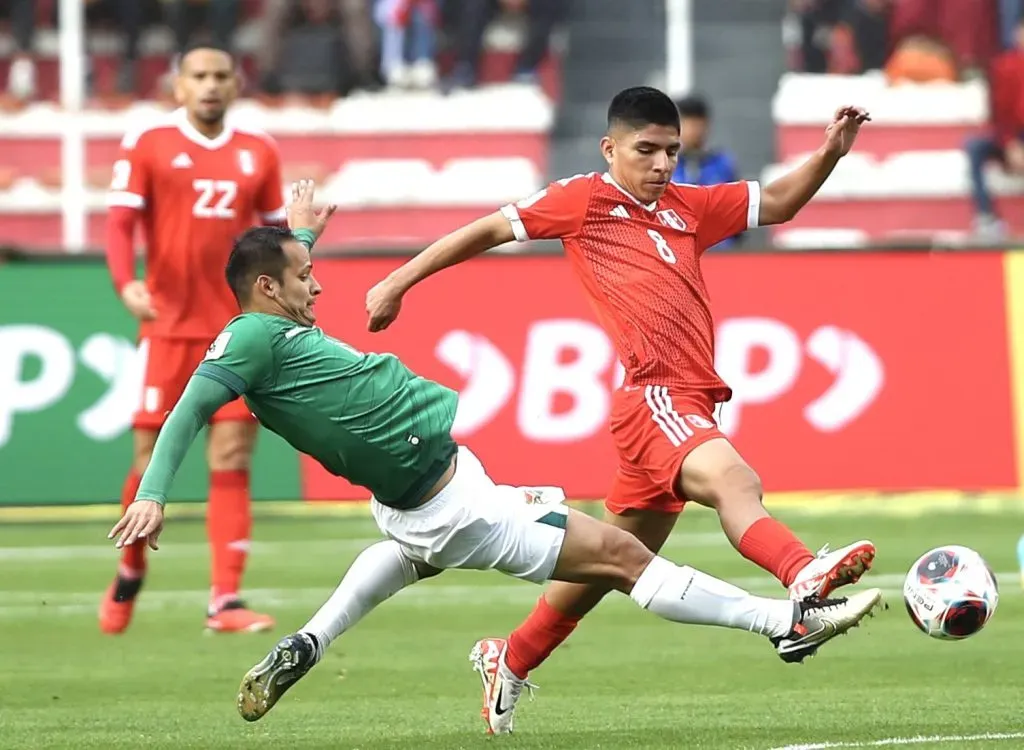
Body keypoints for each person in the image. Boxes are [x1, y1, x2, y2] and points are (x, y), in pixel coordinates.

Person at [107, 181, 883, 725]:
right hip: (457, 504)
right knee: (620, 557)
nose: (318, 286)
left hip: (423, 495)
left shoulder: (272, 325)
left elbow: (275, 289)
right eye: (305, 276)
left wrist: (300, 231)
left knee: (411, 552)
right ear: (271, 291)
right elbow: (188, 410)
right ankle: (782, 621)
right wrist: (154, 492)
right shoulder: (248, 339)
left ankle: (314, 637)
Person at [363, 86, 877, 734]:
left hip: (689, 400)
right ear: (611, 148)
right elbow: (492, 227)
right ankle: (803, 575)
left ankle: (510, 658)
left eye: (671, 151)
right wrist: (396, 281)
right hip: (653, 395)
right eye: (647, 150)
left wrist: (831, 151)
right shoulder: (583, 201)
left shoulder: (690, 207)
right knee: (735, 482)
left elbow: (778, 202)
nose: (662, 164)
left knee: (608, 561)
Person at [102, 43, 286, 635]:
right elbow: (120, 221)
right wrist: (125, 282)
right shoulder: (150, 142)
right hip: (169, 326)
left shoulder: (259, 152)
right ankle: (130, 571)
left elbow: (276, 236)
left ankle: (224, 601)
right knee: (148, 458)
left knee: (231, 455)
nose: (210, 85)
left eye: (221, 75)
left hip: (236, 330)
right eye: (199, 75)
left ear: (236, 84)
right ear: (177, 85)